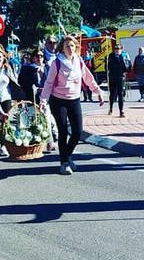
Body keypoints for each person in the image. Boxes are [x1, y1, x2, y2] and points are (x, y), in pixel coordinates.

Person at [39, 35, 105, 175]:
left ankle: (67, 156)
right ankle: (64, 163)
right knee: (63, 131)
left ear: (76, 47)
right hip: (58, 100)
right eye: (67, 46)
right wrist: (43, 101)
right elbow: (49, 83)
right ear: (62, 48)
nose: (70, 48)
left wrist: (97, 91)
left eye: (72, 46)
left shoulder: (79, 61)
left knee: (77, 132)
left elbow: (87, 77)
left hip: (74, 99)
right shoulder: (57, 63)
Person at [0, 44, 20, 155]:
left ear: (4, 58)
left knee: (5, 121)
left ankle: (3, 145)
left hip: (6, 97)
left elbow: (14, 81)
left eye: (0, 57)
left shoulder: (7, 68)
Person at [107, 43, 129, 117]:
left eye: (119, 49)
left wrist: (126, 61)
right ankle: (110, 108)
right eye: (116, 49)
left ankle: (121, 111)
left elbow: (127, 67)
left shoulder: (124, 56)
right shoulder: (111, 56)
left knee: (121, 95)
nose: (117, 50)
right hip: (112, 78)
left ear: (121, 50)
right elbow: (107, 67)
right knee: (112, 94)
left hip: (120, 78)